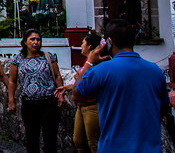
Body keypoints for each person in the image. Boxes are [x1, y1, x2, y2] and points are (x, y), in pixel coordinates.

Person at [72, 19, 169, 153]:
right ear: (134, 41)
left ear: (109, 42)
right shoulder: (155, 71)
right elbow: (163, 107)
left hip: (113, 147)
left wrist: (89, 63)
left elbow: (76, 94)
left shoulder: (100, 71)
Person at [8, 28, 64, 153]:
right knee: (31, 137)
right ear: (25, 42)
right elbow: (12, 80)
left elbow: (57, 76)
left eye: (38, 39)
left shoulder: (48, 57)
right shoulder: (18, 60)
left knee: (50, 137)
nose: (35, 42)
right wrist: (11, 100)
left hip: (48, 102)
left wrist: (60, 94)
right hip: (29, 104)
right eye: (32, 39)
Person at [57, 33, 110, 153]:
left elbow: (90, 83)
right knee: (78, 140)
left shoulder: (95, 63)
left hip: (92, 105)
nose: (81, 46)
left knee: (94, 143)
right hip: (82, 105)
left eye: (83, 43)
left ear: (90, 46)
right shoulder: (88, 61)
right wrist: (70, 86)